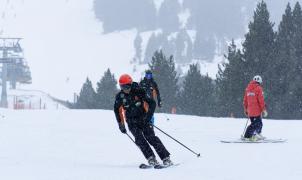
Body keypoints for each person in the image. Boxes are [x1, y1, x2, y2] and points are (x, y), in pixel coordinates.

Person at [114, 74, 173, 166]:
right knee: (139, 139)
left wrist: (148, 117)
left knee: (151, 138)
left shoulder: (139, 91)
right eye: (122, 86)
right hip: (131, 121)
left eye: (126, 86)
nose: (125, 89)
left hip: (143, 118)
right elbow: (117, 111)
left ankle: (166, 158)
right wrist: (121, 124)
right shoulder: (120, 96)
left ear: (130, 84)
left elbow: (152, 103)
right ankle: (151, 158)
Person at [243, 75, 268, 141]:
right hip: (257, 111)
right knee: (256, 124)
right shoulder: (259, 88)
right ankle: (248, 136)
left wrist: (246, 109)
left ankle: (257, 134)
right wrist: (264, 110)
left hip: (250, 111)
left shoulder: (247, 88)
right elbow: (261, 100)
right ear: (259, 82)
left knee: (257, 123)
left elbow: (245, 100)